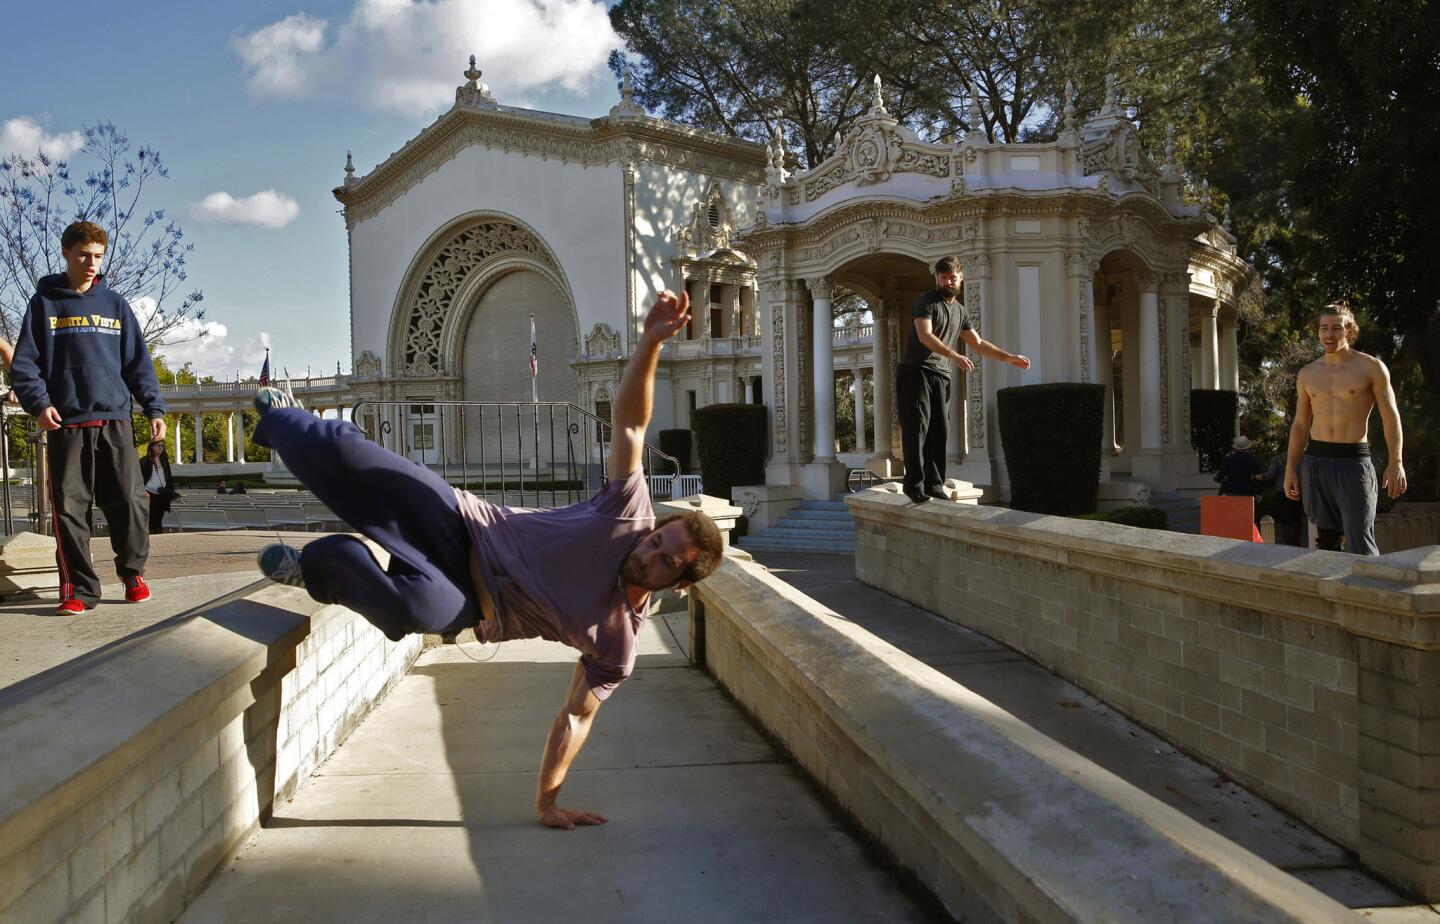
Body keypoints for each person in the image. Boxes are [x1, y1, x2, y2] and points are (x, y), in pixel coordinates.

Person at [252, 289, 724, 829]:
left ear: (680, 584)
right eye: (657, 541)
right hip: (465, 522)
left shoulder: (617, 643)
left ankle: (317, 567)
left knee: (411, 607)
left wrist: (547, 801)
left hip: (469, 603)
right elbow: (631, 427)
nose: (648, 554)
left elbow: (575, 717)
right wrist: (650, 342)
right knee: (355, 457)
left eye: (665, 562)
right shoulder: (627, 512)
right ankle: (289, 423)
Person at [9, 220, 165, 612]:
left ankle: (132, 573)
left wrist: (153, 407)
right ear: (66, 253)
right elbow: (25, 366)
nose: (91, 263)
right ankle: (79, 590)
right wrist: (39, 403)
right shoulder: (44, 304)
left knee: (129, 501)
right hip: (66, 423)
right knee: (69, 511)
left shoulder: (115, 306)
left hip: (116, 420)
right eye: (83, 254)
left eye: (98, 255)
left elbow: (137, 364)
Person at [896, 256, 1030, 504]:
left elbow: (978, 344)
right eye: (943, 277)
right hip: (916, 371)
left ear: (961, 279)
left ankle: (934, 485)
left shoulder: (960, 311)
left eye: (952, 277)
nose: (948, 281)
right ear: (937, 278)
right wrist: (954, 354)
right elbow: (925, 336)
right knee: (917, 429)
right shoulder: (925, 302)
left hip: (940, 375)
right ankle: (913, 486)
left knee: (939, 431)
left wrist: (1008, 357)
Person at [1284, 303, 1405, 554]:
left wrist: (1396, 462)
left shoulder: (1371, 367)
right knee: (1326, 543)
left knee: (1360, 542)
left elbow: (1390, 417)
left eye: (1336, 328)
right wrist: (1290, 468)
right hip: (1315, 462)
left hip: (1353, 464)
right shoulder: (1307, 373)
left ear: (1349, 331)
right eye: (1324, 328)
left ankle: (1369, 593)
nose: (1329, 335)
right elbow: (1300, 424)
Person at [1255, 448, 1307, 547]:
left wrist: (1255, 477)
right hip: (1299, 492)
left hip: (1283, 493)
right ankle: (1297, 542)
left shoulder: (1277, 459)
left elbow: (1270, 475)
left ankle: (1290, 544)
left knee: (1287, 521)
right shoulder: (1303, 458)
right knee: (1297, 519)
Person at [140, 441, 178, 535]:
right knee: (150, 520)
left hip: (162, 494)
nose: (161, 448)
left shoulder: (164, 460)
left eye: (162, 446)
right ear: (152, 447)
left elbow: (168, 477)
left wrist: (171, 492)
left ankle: (158, 539)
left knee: (158, 520)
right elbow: (139, 478)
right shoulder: (145, 460)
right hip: (149, 494)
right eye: (158, 445)